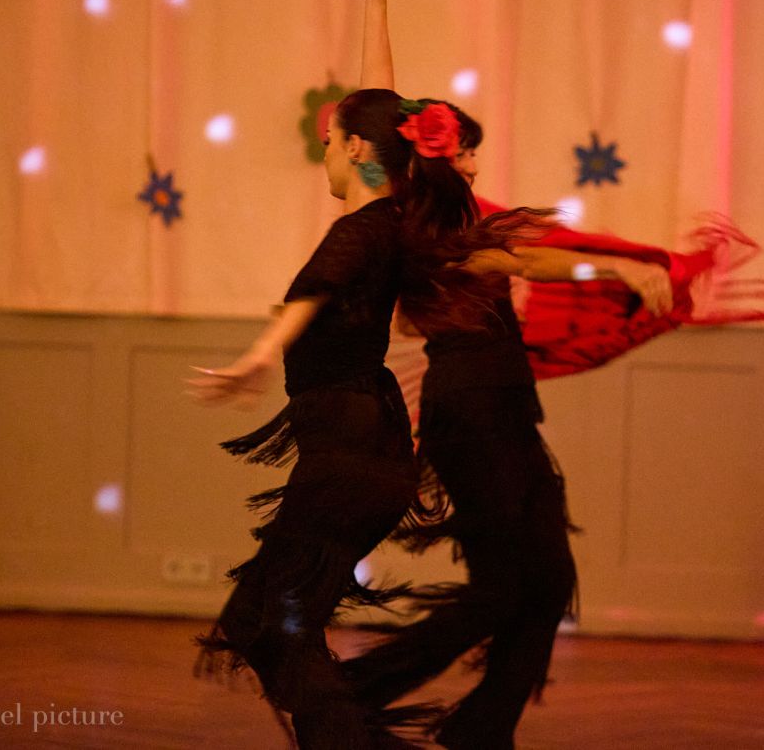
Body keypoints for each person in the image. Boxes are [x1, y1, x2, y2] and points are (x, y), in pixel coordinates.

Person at [338, 0, 680, 750]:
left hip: (501, 406)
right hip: (467, 413)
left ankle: (481, 728)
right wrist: (614, 268)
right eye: (464, 153)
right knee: (503, 588)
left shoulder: (455, 211)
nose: (475, 165)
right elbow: (525, 259)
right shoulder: (413, 220)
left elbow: (387, 102)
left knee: (547, 580)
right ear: (428, 157)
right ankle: (354, 692)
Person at [187, 84, 540, 749]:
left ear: (354, 148)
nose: (324, 155)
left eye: (328, 142)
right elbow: (380, 99)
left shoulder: (360, 231)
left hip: (348, 458)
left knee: (274, 623)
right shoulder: (399, 220)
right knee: (269, 621)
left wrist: (258, 355)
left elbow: (312, 292)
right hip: (373, 452)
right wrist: (375, 16)